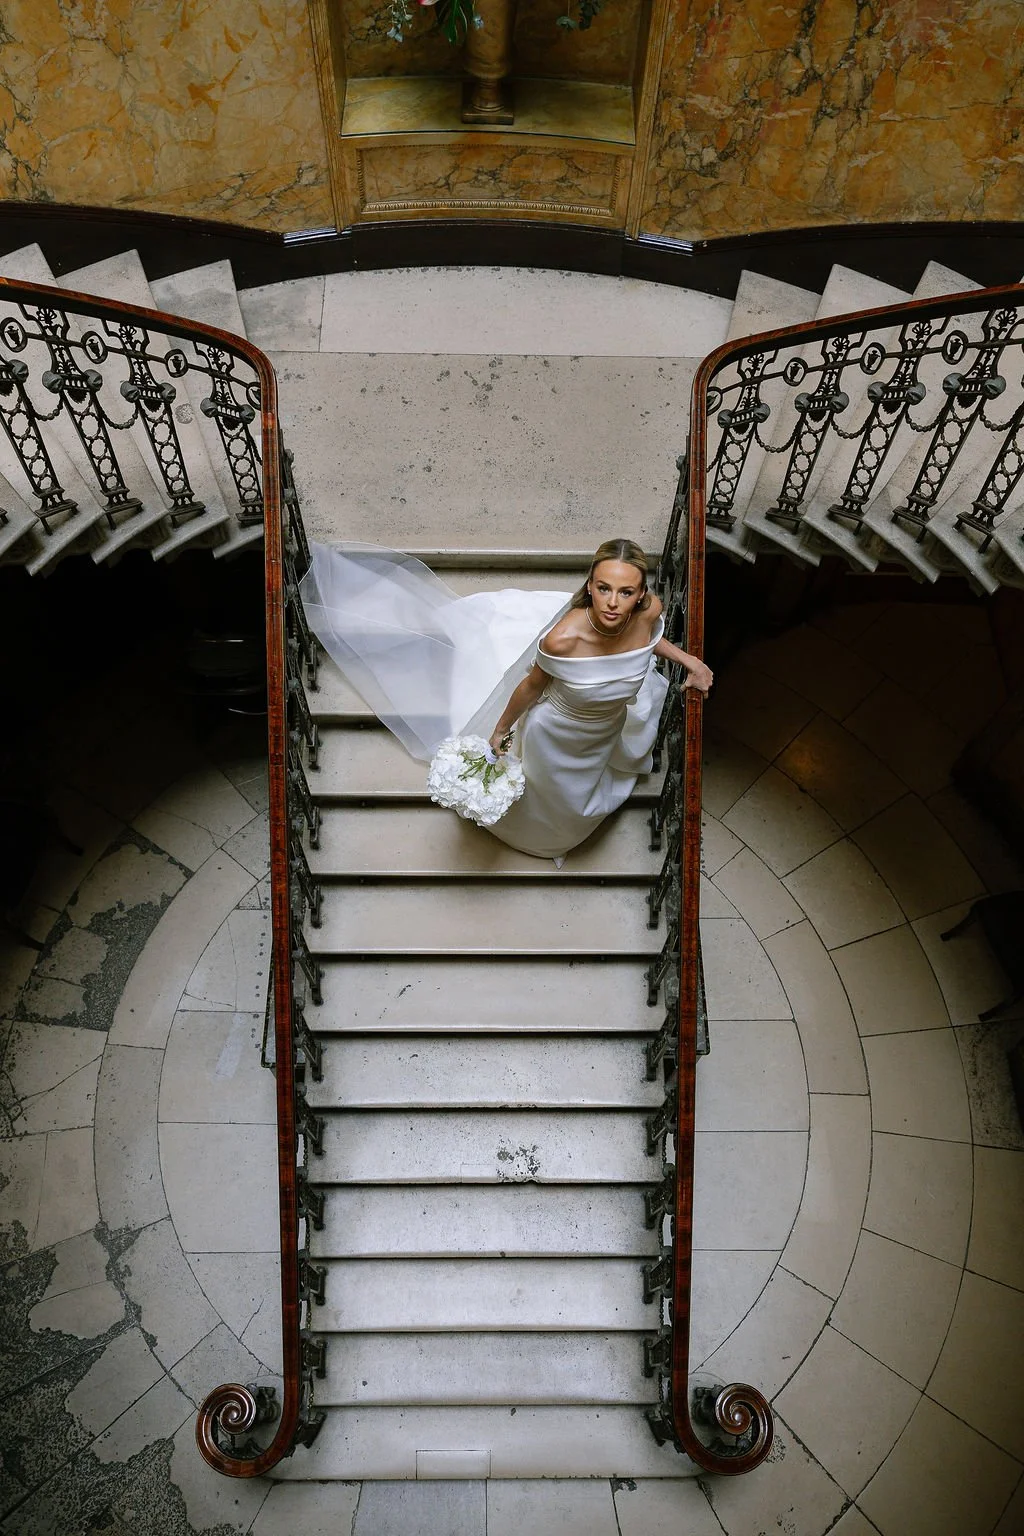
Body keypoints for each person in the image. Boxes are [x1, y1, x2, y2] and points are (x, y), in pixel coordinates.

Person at [299, 537, 712, 862]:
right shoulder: (563, 640)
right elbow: (531, 687)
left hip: (607, 724)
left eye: (625, 592)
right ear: (590, 585)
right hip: (558, 728)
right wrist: (499, 730)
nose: (612, 602)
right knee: (552, 787)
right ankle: (544, 830)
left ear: (641, 595)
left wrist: (690, 660)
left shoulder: (649, 613)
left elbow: (651, 642)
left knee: (590, 773)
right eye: (603, 589)